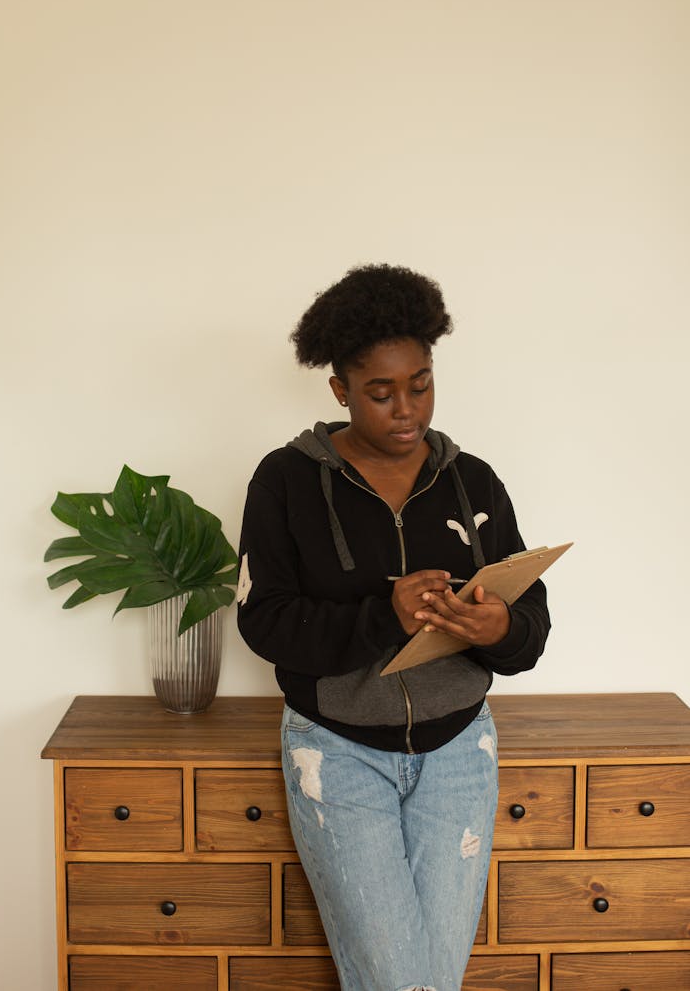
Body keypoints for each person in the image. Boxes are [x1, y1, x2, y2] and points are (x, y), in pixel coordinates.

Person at [237, 264, 550, 991]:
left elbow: (531, 629)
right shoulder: (285, 481)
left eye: (421, 383)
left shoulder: (473, 479)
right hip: (338, 755)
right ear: (340, 390)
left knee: (429, 979)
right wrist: (385, 616)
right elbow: (265, 622)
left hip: (459, 753)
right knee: (399, 979)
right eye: (379, 392)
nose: (405, 408)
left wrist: (497, 622)